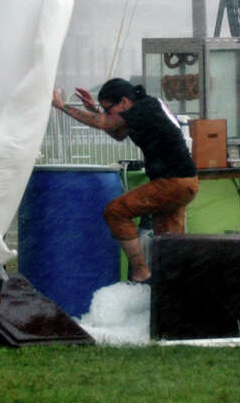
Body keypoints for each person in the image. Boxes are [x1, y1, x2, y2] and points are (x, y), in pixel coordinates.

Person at [51, 78, 198, 284]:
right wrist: (95, 109)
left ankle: (140, 271)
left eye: (108, 108)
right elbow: (118, 134)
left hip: (173, 182)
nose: (107, 112)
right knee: (167, 246)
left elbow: (104, 123)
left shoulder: (146, 107)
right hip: (183, 182)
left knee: (116, 212)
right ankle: (171, 289)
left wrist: (62, 106)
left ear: (124, 102)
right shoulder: (146, 107)